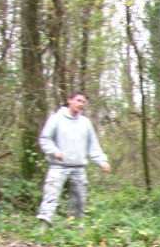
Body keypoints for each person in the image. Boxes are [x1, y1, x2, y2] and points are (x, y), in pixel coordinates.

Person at [36, 92, 110, 226]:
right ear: (70, 100)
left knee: (80, 200)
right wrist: (54, 151)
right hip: (58, 166)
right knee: (50, 195)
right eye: (78, 100)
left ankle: (75, 227)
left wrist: (102, 160)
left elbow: (93, 145)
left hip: (78, 167)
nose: (80, 104)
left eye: (83, 102)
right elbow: (44, 139)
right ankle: (43, 226)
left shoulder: (85, 123)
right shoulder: (56, 119)